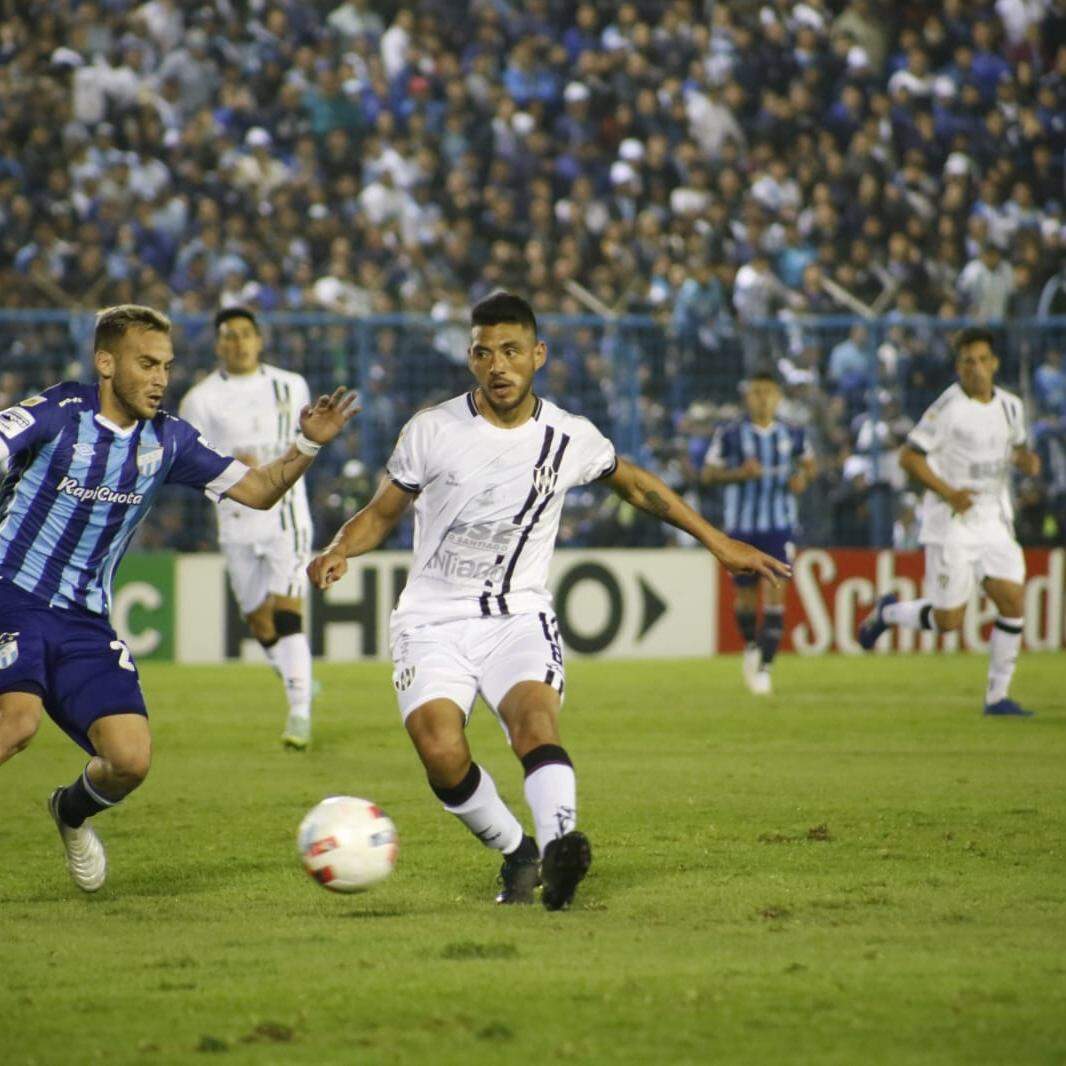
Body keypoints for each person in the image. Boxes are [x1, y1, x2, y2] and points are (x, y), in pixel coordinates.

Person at [307, 292, 789, 911]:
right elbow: (383, 512)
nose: (498, 366)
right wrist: (342, 547)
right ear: (470, 358)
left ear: (538, 355)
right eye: (484, 353)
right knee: (440, 748)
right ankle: (518, 852)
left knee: (533, 723)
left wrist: (718, 543)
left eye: (511, 351)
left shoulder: (569, 437)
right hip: (432, 617)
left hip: (518, 616)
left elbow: (637, 485)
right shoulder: (432, 429)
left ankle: (561, 851)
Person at [0, 305, 357, 892]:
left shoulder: (168, 440)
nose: (161, 378)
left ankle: (69, 811)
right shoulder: (58, 412)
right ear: (106, 363)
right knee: (16, 723)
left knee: (130, 761)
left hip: (85, 618)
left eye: (166, 365)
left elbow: (260, 490)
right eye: (147, 364)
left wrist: (307, 447)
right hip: (12, 595)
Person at [858, 327, 1041, 716]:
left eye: (981, 360)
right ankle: (888, 613)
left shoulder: (1011, 406)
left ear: (994, 363)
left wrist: (1027, 462)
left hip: (993, 518)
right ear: (958, 367)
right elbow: (910, 457)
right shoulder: (947, 408)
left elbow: (1019, 449)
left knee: (1012, 601)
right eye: (967, 362)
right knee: (948, 620)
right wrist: (948, 492)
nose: (975, 368)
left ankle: (997, 697)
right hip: (952, 522)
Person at [179, 308, 317, 750]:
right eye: (228, 337)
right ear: (218, 345)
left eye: (244, 335)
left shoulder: (290, 385)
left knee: (285, 611)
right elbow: (190, 462)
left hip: (285, 513)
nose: (237, 343)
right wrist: (234, 473)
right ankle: (299, 680)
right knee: (259, 623)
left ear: (259, 340)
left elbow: (307, 444)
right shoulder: (200, 400)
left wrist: (274, 471)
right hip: (235, 518)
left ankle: (299, 713)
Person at [701, 373, 815, 695]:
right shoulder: (730, 434)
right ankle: (752, 645)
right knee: (747, 598)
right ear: (747, 397)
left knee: (776, 589)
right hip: (742, 528)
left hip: (779, 527)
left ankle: (765, 665)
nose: (762, 398)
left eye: (768, 392)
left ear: (779, 397)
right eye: (756, 392)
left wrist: (801, 479)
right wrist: (739, 474)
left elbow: (809, 465)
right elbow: (707, 475)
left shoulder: (793, 433)